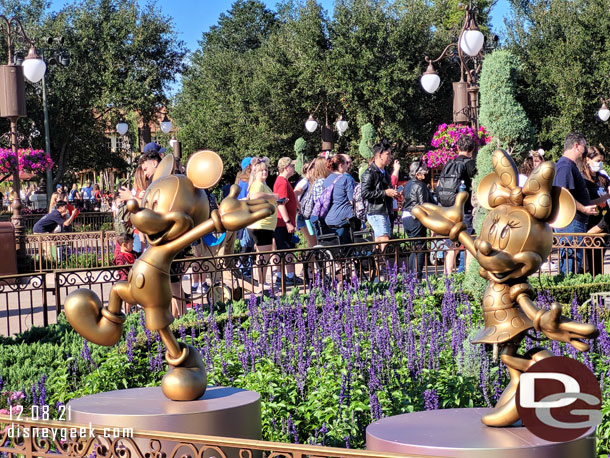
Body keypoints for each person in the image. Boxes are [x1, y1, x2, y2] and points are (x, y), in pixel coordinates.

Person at [553, 132, 598, 275]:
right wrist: (583, 209)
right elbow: (564, 195)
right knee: (570, 266)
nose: (584, 152)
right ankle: (569, 297)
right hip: (571, 224)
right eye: (584, 147)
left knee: (575, 264)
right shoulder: (565, 166)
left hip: (575, 223)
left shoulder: (568, 165)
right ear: (577, 146)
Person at [436, 135, 477, 275]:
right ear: (472, 149)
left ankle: (447, 276)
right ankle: (468, 275)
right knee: (468, 242)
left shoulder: (449, 164)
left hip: (448, 208)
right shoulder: (470, 164)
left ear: (458, 148)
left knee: (452, 245)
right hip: (464, 209)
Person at [361, 140, 399, 248]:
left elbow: (387, 191)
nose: (390, 157)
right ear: (379, 155)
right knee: (384, 239)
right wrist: (385, 193)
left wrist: (394, 193)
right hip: (375, 211)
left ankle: (379, 264)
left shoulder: (385, 172)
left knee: (379, 241)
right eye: (388, 154)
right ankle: (385, 264)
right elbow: (364, 193)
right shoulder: (369, 173)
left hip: (385, 210)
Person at [247, 160, 278, 292]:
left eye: (266, 170)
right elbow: (254, 196)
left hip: (266, 225)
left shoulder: (263, 185)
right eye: (262, 170)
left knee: (264, 254)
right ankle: (261, 282)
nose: (265, 172)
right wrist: (272, 196)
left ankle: (262, 281)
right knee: (263, 255)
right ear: (256, 172)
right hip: (261, 224)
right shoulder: (257, 184)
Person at [273, 157, 302, 287]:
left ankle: (285, 276)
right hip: (282, 224)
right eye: (292, 166)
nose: (293, 168)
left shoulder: (283, 181)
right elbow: (280, 203)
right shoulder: (282, 182)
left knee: (285, 249)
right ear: (286, 168)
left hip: (283, 223)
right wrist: (288, 222)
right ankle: (288, 276)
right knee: (286, 250)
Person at [581, 146, 610, 275]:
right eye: (598, 160)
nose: (600, 164)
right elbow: (585, 203)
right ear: (588, 159)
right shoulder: (583, 180)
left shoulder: (602, 178)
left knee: (598, 266)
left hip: (603, 226)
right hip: (590, 227)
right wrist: (606, 197)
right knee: (588, 266)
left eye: (601, 161)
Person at [402, 162, 432, 280]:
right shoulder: (420, 185)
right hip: (415, 217)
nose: (425, 174)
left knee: (414, 247)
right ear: (417, 173)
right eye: (423, 172)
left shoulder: (407, 184)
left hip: (406, 217)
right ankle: (417, 277)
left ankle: (410, 276)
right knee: (420, 247)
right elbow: (422, 205)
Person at [322, 155, 356, 245]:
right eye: (346, 163)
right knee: (351, 245)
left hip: (329, 219)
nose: (347, 165)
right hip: (345, 218)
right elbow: (352, 200)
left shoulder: (327, 180)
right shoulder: (346, 179)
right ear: (341, 165)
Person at [294, 161, 317, 247]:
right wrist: (300, 208)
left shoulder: (310, 182)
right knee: (313, 242)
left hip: (307, 216)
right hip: (305, 218)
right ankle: (309, 260)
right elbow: (294, 194)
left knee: (313, 243)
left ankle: (310, 260)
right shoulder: (304, 182)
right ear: (309, 171)